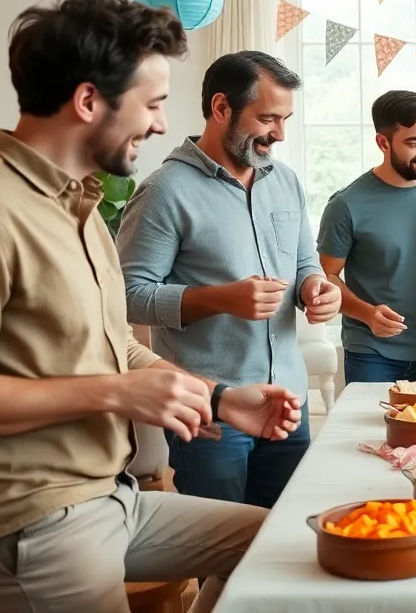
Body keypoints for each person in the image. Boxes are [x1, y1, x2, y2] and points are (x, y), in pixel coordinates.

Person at [0, 0, 301, 613]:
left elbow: (115, 345)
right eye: (152, 104)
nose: (163, 124)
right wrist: (115, 393)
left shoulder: (79, 207)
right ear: (89, 100)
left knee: (279, 546)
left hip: (111, 497)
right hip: (26, 524)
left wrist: (219, 398)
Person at [116, 50, 340, 508]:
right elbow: (127, 297)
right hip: (211, 411)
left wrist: (314, 288)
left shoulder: (286, 181)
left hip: (288, 402)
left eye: (285, 119)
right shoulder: (164, 191)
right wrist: (220, 299)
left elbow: (303, 263)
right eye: (268, 118)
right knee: (224, 559)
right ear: (221, 109)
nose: (279, 133)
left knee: (284, 543)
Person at [318, 90, 416, 383]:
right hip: (370, 352)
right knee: (372, 431)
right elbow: (325, 277)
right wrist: (367, 313)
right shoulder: (346, 204)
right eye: (413, 142)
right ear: (383, 142)